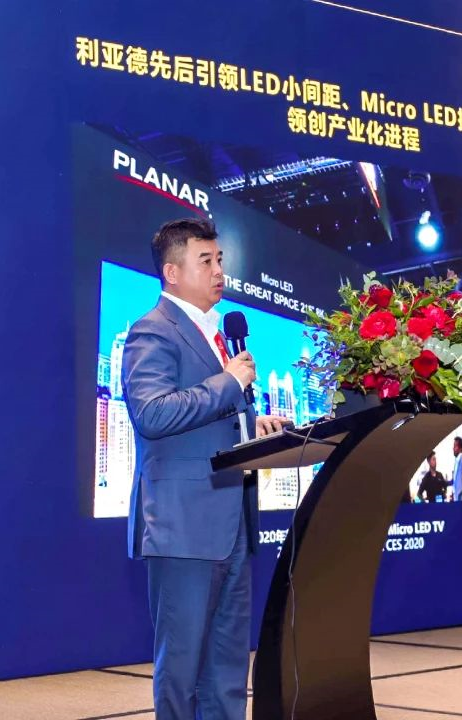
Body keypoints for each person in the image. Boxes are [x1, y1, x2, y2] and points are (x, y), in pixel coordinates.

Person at [123, 217, 289, 720]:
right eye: (206, 261)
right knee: (182, 669)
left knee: (227, 667)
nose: (219, 271)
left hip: (231, 522)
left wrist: (252, 426)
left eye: (220, 260)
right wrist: (229, 383)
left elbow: (207, 421)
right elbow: (153, 414)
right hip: (183, 526)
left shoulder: (215, 335)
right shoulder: (153, 330)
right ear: (172, 272)